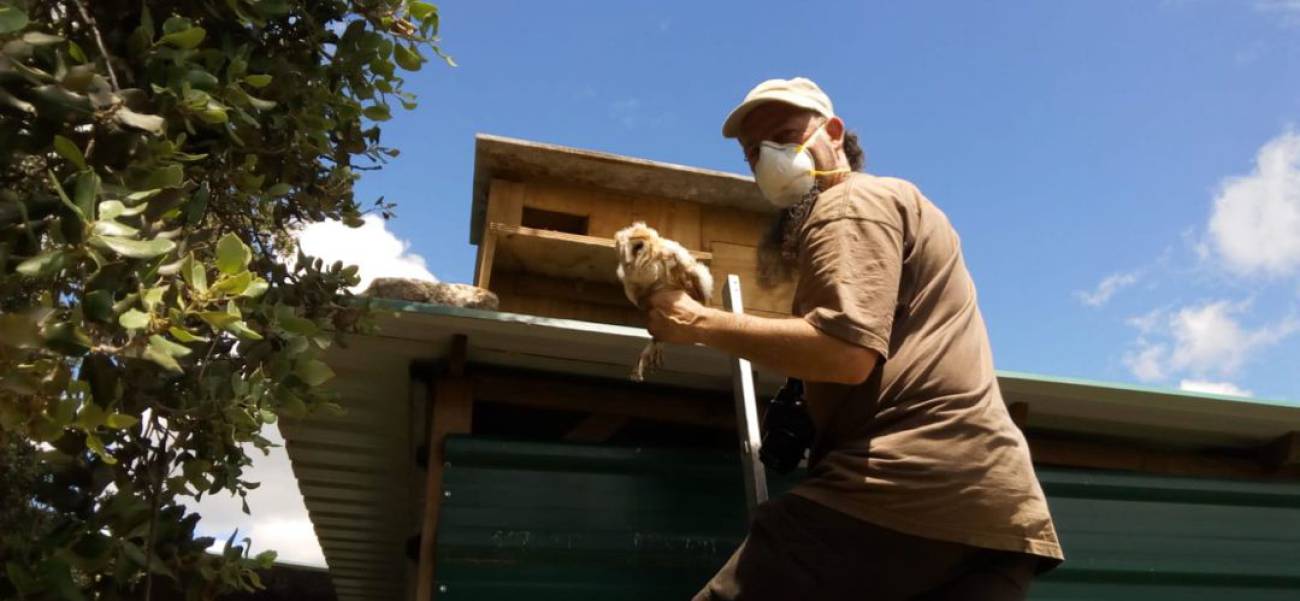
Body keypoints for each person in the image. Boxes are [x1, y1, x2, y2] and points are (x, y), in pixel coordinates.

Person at [644, 77, 1064, 601]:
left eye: (785, 136)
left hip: (900, 485)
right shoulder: (906, 205)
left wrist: (696, 321)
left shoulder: (848, 203)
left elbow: (843, 354)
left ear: (834, 132)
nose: (769, 158)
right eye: (754, 153)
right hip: (997, 511)